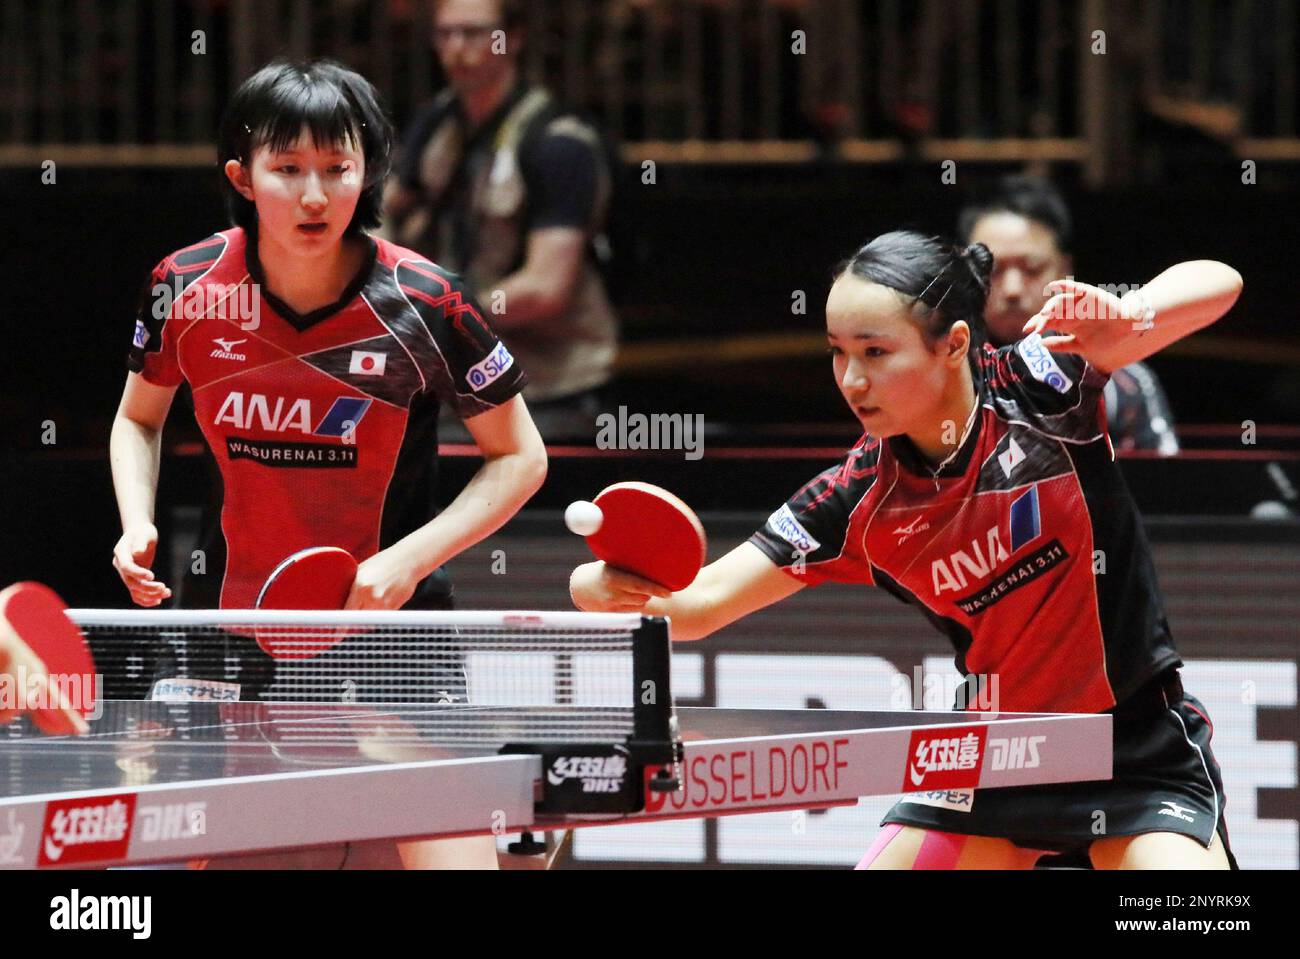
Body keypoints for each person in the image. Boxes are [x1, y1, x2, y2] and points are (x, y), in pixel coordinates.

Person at [571, 231, 1243, 869]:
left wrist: (1130, 314)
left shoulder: (1042, 387)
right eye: (837, 351)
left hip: (1134, 746)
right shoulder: (854, 500)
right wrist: (595, 586)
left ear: (953, 344)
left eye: (875, 352)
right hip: (992, 757)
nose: (850, 380)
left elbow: (1221, 281)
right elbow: (691, 610)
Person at [110, 59, 547, 869]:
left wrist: (407, 562)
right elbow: (138, 419)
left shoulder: (426, 301)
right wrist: (137, 523)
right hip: (233, 627)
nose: (314, 196)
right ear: (242, 177)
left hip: (396, 627)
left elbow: (520, 456)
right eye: (287, 169)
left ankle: (515, 836)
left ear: (369, 170)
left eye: (337, 169)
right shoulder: (186, 285)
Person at [382, 0, 619, 440]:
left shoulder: (558, 143)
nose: (456, 49)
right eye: (444, 35)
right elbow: (381, 210)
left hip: (547, 390)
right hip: (456, 384)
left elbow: (545, 290)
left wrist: (434, 316)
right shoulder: (437, 122)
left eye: (472, 34)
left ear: (512, 38)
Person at [959, 175, 1181, 455]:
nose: (1012, 289)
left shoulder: (1122, 380)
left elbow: (1163, 487)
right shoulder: (942, 376)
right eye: (994, 269)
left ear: (1064, 268)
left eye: (1032, 268)